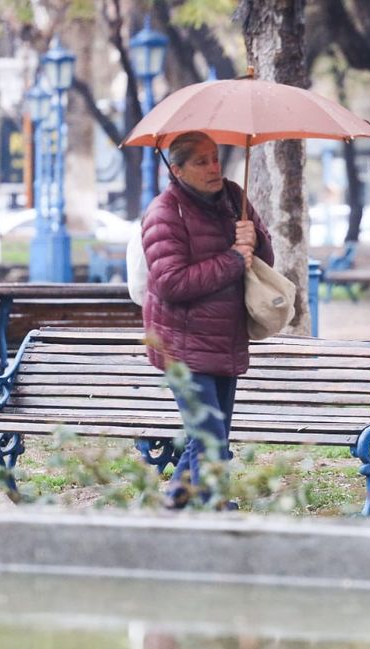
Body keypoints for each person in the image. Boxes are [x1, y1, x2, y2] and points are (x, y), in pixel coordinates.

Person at [140, 131, 275, 509]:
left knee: (208, 434)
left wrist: (256, 240)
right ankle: (214, 511)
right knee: (210, 436)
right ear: (177, 170)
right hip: (181, 346)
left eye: (215, 158)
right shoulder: (164, 213)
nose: (214, 167)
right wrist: (234, 259)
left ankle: (176, 504)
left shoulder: (233, 196)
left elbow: (264, 259)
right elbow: (171, 283)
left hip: (224, 340)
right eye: (201, 162)